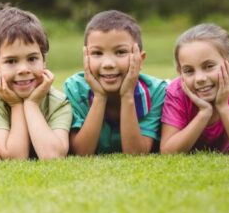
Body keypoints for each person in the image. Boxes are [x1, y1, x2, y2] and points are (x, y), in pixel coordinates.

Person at [0, 5, 72, 160]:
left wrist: (32, 104)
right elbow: (15, 157)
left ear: (44, 61)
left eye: (32, 59)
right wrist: (16, 105)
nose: (24, 69)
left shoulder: (58, 102)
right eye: (11, 61)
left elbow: (53, 156)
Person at [64, 10, 166, 155]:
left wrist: (127, 95)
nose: (108, 64)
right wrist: (99, 96)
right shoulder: (74, 88)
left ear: (140, 59)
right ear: (86, 57)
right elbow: (81, 153)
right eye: (97, 53)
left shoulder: (156, 91)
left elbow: (136, 154)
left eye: (120, 52)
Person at [160, 24, 229, 153]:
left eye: (209, 66)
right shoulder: (176, 93)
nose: (199, 78)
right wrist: (204, 113)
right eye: (189, 71)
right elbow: (168, 152)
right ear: (180, 72)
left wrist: (223, 106)